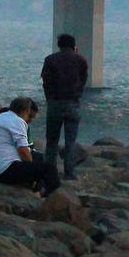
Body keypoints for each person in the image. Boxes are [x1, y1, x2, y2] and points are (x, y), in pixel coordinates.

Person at [0, 95, 59, 195]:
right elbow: (23, 151)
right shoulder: (18, 121)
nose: (29, 119)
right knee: (50, 169)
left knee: (38, 157)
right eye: (29, 115)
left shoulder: (2, 117)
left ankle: (35, 189)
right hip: (6, 170)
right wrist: (32, 170)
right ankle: (46, 196)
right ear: (26, 110)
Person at [40, 33, 88, 183]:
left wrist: (50, 98)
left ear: (59, 45)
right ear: (74, 46)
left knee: (52, 141)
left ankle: (49, 172)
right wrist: (77, 94)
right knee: (70, 140)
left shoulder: (50, 59)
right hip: (72, 103)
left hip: (55, 102)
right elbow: (83, 79)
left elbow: (46, 82)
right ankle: (69, 173)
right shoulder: (81, 60)